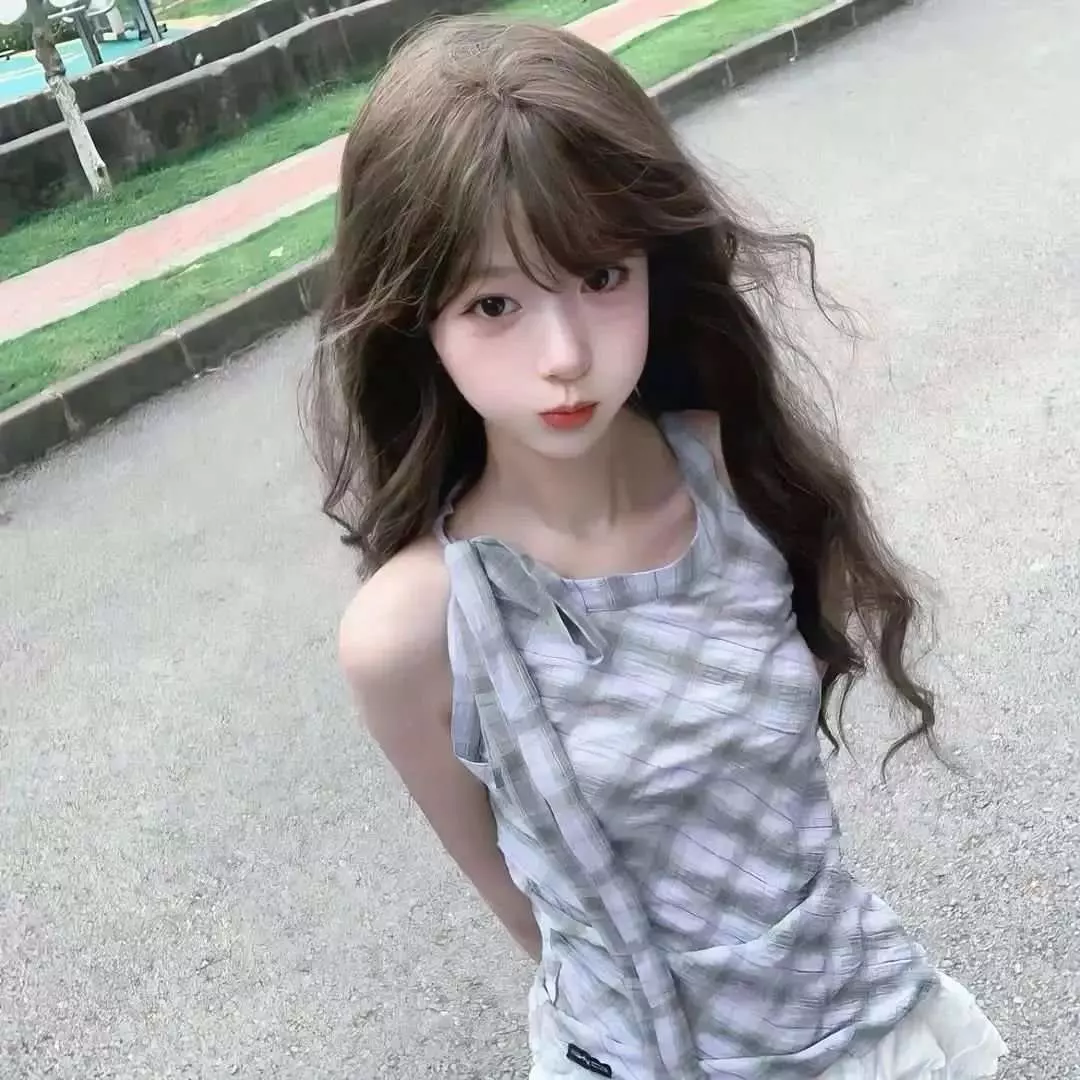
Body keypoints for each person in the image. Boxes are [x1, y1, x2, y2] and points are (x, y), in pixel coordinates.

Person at [307, 14, 1007, 1079]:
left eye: (601, 277)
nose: (564, 355)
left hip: (865, 1024)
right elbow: (532, 917)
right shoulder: (414, 631)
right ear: (417, 322)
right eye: (493, 302)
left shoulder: (736, 475)